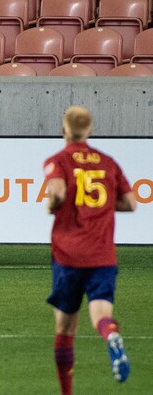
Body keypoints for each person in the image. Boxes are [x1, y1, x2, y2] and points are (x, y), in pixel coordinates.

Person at [43, 106, 136, 394]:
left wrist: (52, 205)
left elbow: (57, 194)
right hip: (102, 254)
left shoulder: (59, 160)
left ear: (64, 130)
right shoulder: (108, 163)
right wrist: (107, 206)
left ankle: (67, 392)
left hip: (69, 254)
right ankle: (111, 335)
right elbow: (131, 203)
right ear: (90, 130)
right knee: (101, 314)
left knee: (65, 328)